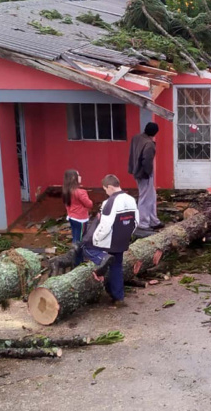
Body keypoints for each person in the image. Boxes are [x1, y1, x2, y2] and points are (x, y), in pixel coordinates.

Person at [80, 174, 139, 305]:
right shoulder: (131, 199)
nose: (106, 192)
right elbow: (136, 221)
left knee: (85, 247)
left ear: (110, 187)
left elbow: (105, 225)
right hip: (123, 239)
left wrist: (95, 239)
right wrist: (127, 234)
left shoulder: (109, 202)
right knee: (116, 266)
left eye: (105, 189)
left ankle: (102, 258)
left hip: (108, 241)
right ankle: (118, 297)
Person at [128, 122, 163, 232]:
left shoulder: (136, 137)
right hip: (144, 174)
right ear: (155, 133)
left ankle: (154, 221)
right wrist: (148, 174)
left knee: (152, 196)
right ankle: (143, 223)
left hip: (136, 171)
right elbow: (147, 161)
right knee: (144, 198)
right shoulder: (149, 144)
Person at [62, 169, 92, 266]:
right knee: (80, 240)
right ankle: (78, 262)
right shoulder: (80, 192)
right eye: (78, 175)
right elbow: (89, 204)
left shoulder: (66, 190)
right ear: (74, 178)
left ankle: (74, 258)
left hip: (72, 218)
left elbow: (67, 205)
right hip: (81, 220)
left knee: (75, 237)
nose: (80, 177)